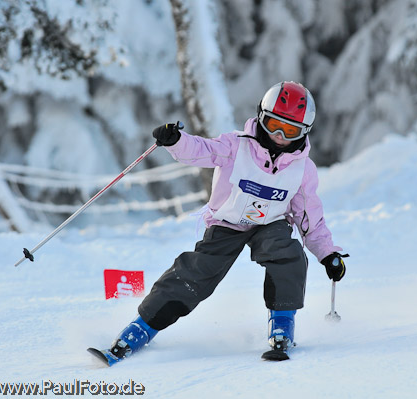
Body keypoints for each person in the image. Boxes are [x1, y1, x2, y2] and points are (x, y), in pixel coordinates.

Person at [95, 81, 347, 365]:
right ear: (261, 117)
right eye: (274, 124)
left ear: (303, 133)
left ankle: (281, 326)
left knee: (287, 254)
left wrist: (327, 253)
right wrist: (177, 141)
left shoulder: (303, 169)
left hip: (270, 223)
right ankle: (141, 328)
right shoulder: (235, 145)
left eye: (289, 131)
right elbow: (203, 150)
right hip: (227, 222)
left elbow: (308, 217)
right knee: (195, 271)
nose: (278, 136)